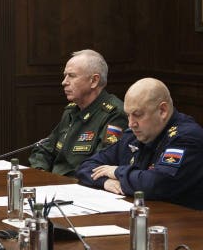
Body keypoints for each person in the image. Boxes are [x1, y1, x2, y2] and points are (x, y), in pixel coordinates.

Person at [76, 78, 203, 210]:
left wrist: (117, 171)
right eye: (128, 115)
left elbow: (156, 184)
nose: (131, 123)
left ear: (163, 111)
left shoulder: (186, 138)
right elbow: (86, 167)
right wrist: (105, 182)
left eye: (137, 115)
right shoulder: (133, 135)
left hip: (183, 224)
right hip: (141, 215)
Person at [28, 49, 128, 176]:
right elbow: (44, 149)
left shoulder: (114, 114)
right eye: (65, 75)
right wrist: (40, 172)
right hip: (54, 184)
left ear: (94, 81)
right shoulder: (72, 110)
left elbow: (100, 166)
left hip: (82, 188)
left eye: (72, 76)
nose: (64, 82)